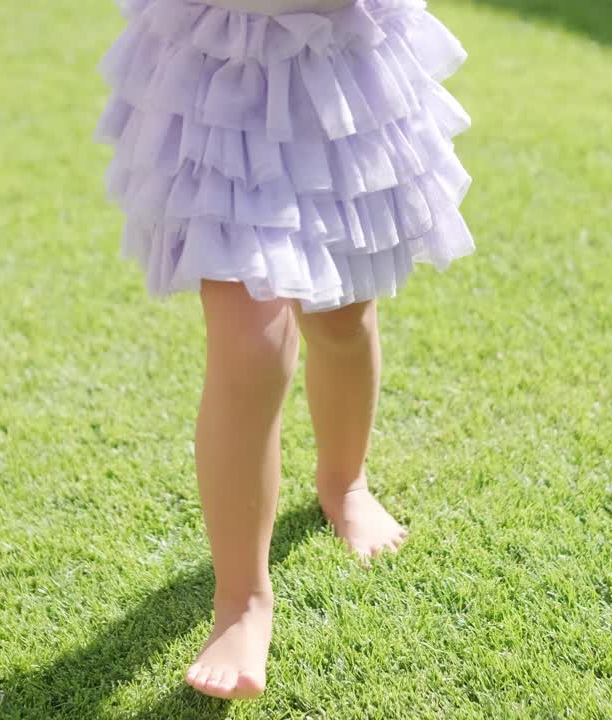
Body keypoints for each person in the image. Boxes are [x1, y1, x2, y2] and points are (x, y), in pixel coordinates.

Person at [93, 0, 473, 699]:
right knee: (251, 343)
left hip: (336, 57)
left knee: (338, 317)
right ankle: (241, 600)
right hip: (221, 57)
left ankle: (344, 481)